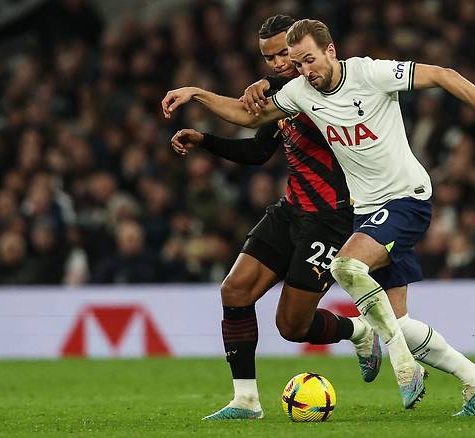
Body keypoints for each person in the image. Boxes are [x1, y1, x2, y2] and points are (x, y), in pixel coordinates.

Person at [162, 18, 475, 416]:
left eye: (306, 59)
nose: (302, 69)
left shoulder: (370, 73)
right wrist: (197, 95)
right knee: (398, 321)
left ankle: (403, 366)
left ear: (330, 50)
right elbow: (251, 119)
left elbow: (444, 75)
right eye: (293, 62)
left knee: (347, 268)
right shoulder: (299, 91)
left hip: (399, 201)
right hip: (364, 210)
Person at [168, 15, 379, 420]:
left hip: (330, 220)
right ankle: (245, 400)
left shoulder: (327, 88)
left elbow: (310, 86)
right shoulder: (283, 98)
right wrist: (205, 139)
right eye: (270, 58)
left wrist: (269, 86)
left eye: (286, 52)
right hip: (291, 210)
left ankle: (358, 330)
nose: (280, 62)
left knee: (293, 327)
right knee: (234, 291)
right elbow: (258, 152)